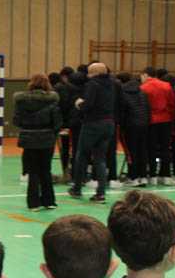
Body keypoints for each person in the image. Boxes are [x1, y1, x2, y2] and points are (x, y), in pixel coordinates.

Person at [69, 63, 117, 202]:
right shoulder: (113, 84)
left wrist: (79, 104)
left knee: (82, 156)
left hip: (93, 123)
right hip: (109, 123)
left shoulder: (93, 84)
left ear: (93, 73)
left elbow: (88, 105)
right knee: (100, 158)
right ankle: (101, 193)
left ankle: (77, 188)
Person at [14, 74, 62, 210]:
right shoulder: (53, 100)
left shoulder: (21, 101)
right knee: (46, 170)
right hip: (47, 138)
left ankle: (33, 203)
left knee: (33, 172)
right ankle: (49, 201)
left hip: (28, 138)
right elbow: (57, 121)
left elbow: (16, 120)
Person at [115, 70, 150, 187]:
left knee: (131, 152)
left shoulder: (122, 93)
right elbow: (148, 109)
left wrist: (120, 123)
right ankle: (143, 176)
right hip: (144, 124)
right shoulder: (141, 91)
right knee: (142, 151)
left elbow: (122, 111)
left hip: (129, 126)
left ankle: (133, 177)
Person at [141, 69, 175, 185]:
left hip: (151, 121)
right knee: (165, 148)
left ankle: (152, 175)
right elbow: (172, 104)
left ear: (145, 75)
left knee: (151, 149)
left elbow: (143, 106)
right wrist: (170, 117)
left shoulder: (144, 87)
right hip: (166, 120)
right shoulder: (166, 86)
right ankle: (165, 175)